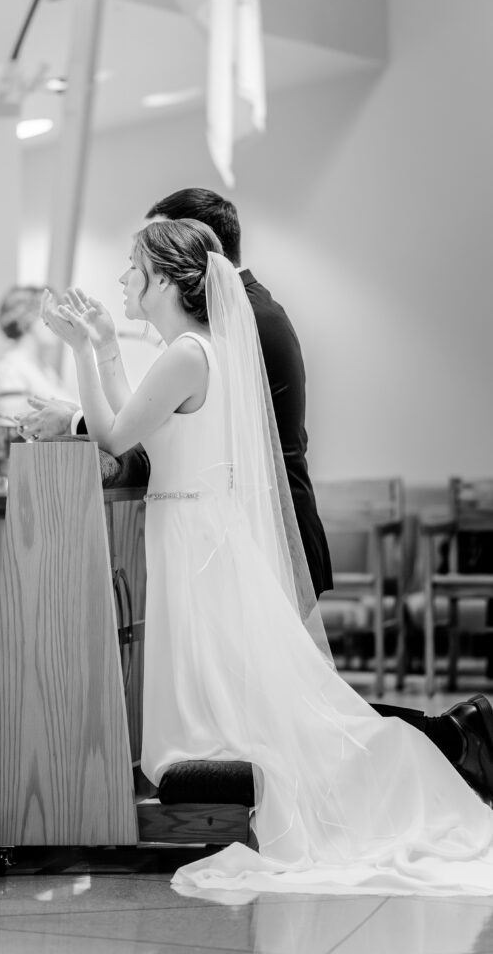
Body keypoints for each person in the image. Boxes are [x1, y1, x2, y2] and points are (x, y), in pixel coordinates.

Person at [43, 217, 493, 895]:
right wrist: (105, 343)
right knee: (246, 686)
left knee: (245, 694)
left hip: (193, 536)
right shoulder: (199, 349)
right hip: (196, 530)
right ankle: (454, 737)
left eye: (130, 266)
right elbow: (139, 418)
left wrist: (80, 350)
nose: (120, 278)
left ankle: (447, 742)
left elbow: (111, 434)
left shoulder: (187, 354)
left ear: (164, 277)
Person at [0, 284, 73, 418]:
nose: (60, 320)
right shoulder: (9, 369)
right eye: (51, 313)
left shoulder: (46, 370)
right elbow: (14, 430)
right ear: (27, 317)